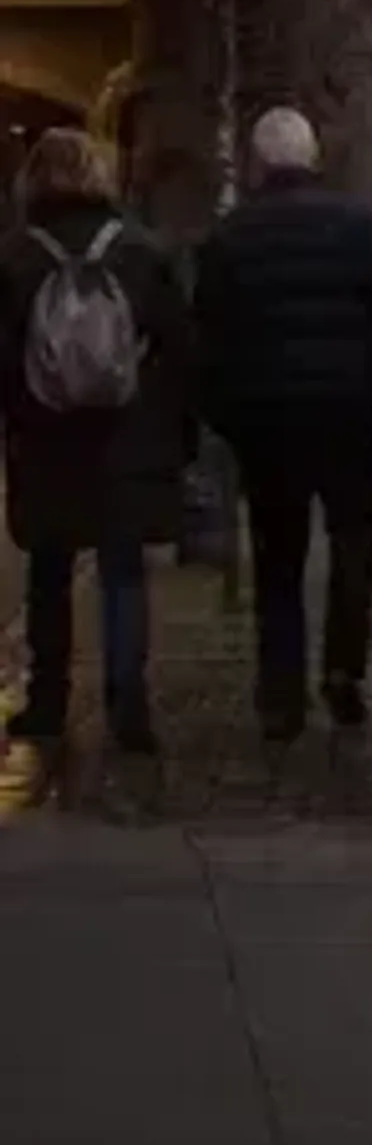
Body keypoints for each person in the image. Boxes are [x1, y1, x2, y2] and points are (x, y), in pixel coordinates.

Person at [193, 109, 372, 742]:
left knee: (277, 558)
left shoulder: (230, 237)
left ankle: (280, 695)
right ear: (312, 157)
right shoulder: (358, 229)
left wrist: (226, 417)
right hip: (348, 417)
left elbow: (207, 338)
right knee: (354, 545)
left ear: (258, 163)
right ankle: (344, 671)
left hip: (268, 424)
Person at [1, 130, 193, 755]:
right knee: (122, 574)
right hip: (128, 440)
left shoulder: (16, 256)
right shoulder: (140, 250)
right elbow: (178, 348)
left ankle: (47, 702)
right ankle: (128, 710)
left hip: (46, 438)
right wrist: (176, 434)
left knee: (50, 573)